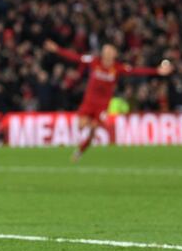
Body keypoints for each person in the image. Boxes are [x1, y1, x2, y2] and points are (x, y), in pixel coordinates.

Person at [44, 40, 173, 162]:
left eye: (109, 51)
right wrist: (57, 49)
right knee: (81, 125)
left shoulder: (117, 68)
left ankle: (80, 151)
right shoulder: (94, 62)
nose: (106, 53)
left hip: (102, 106)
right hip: (89, 102)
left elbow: (136, 71)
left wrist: (157, 71)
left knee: (93, 130)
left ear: (114, 54)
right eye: (105, 50)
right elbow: (75, 57)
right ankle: (84, 143)